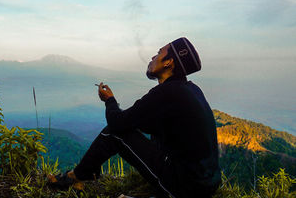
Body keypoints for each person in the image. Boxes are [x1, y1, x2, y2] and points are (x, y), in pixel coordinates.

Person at [48, 37, 221, 198]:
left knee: (114, 133)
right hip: (206, 185)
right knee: (142, 131)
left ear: (168, 62)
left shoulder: (167, 92)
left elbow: (117, 124)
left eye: (159, 53)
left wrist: (109, 100)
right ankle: (85, 174)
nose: (153, 56)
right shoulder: (190, 90)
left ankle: (75, 177)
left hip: (184, 188)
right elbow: (141, 122)